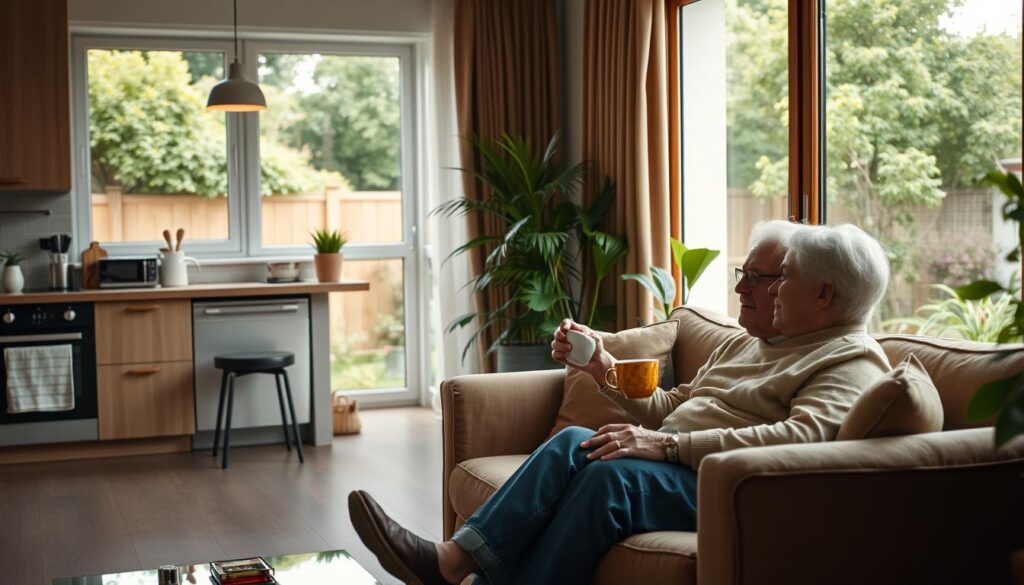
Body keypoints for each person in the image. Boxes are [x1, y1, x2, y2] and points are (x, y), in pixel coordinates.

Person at [348, 220, 892, 585]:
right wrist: (602, 368)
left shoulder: (850, 361)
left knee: (613, 477)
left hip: (732, 486)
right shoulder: (754, 342)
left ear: (824, 295)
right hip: (683, 464)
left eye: (779, 278)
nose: (762, 291)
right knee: (572, 444)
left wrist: (669, 446)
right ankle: (452, 559)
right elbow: (674, 404)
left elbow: (803, 441)